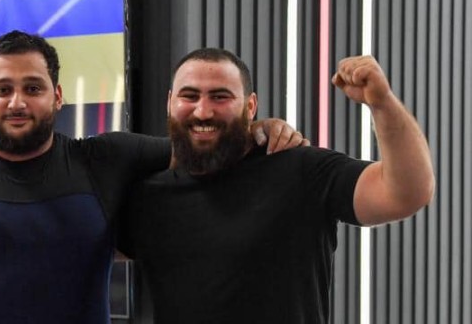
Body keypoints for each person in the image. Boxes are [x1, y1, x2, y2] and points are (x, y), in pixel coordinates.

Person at [0, 31, 304, 323]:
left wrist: (257, 129)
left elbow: (205, 151)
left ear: (58, 96)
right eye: (2, 89)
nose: (17, 102)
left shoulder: (106, 160)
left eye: (33, 87)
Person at [119, 48, 435, 324]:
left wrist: (383, 103)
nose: (203, 110)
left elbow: (407, 193)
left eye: (220, 97)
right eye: (189, 96)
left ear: (250, 106)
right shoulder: (148, 197)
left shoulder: (300, 170)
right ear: (170, 103)